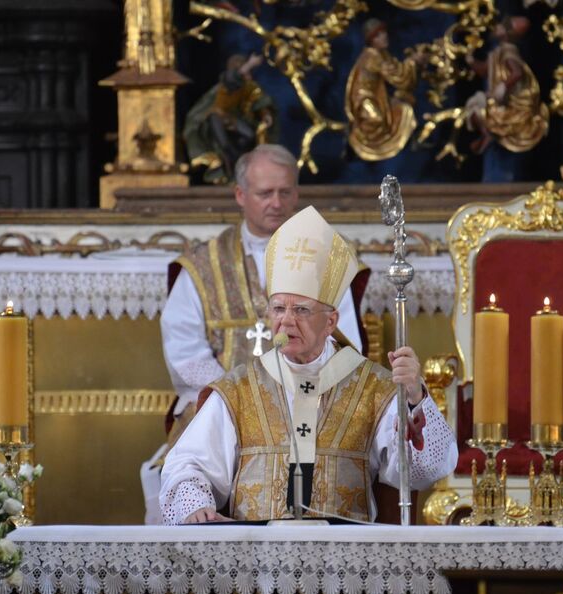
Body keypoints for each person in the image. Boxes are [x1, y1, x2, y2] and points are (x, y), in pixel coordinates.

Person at [159, 206, 457, 524]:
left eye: (300, 310)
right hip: (255, 561)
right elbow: (187, 465)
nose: (286, 321)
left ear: (330, 322)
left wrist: (413, 400)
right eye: (277, 309)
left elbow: (425, 471)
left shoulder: (374, 387)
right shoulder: (239, 389)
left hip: (346, 561)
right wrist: (196, 507)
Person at [141, 145, 365, 523]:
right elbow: (184, 351)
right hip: (219, 404)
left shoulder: (325, 261)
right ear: (240, 195)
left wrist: (295, 393)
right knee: (185, 472)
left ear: (296, 194)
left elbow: (346, 344)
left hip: (310, 401)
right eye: (265, 193)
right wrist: (239, 399)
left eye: (286, 192)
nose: (276, 203)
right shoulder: (201, 266)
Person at [183, 53, 277, 184]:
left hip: (235, 121)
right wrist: (250, 64)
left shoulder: (249, 86)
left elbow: (259, 99)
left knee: (249, 136)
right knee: (225, 146)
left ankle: (240, 170)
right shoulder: (226, 84)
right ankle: (229, 172)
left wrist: (265, 114)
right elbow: (231, 80)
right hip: (216, 118)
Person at [465, 16, 549, 154]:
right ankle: (486, 133)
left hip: (512, 102)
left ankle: (487, 134)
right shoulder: (498, 51)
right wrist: (470, 60)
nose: (496, 27)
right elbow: (484, 70)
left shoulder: (508, 51)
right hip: (500, 98)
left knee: (477, 105)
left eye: (501, 26)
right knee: (474, 106)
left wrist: (502, 87)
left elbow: (517, 73)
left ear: (506, 32)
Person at [345, 19, 421, 161]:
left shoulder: (382, 54)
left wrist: (412, 64)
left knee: (405, 110)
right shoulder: (371, 56)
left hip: (379, 99)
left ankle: (406, 147)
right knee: (376, 119)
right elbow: (397, 76)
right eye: (378, 35)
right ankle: (357, 141)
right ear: (372, 40)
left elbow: (398, 74)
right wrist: (412, 62)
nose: (384, 36)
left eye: (384, 32)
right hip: (363, 100)